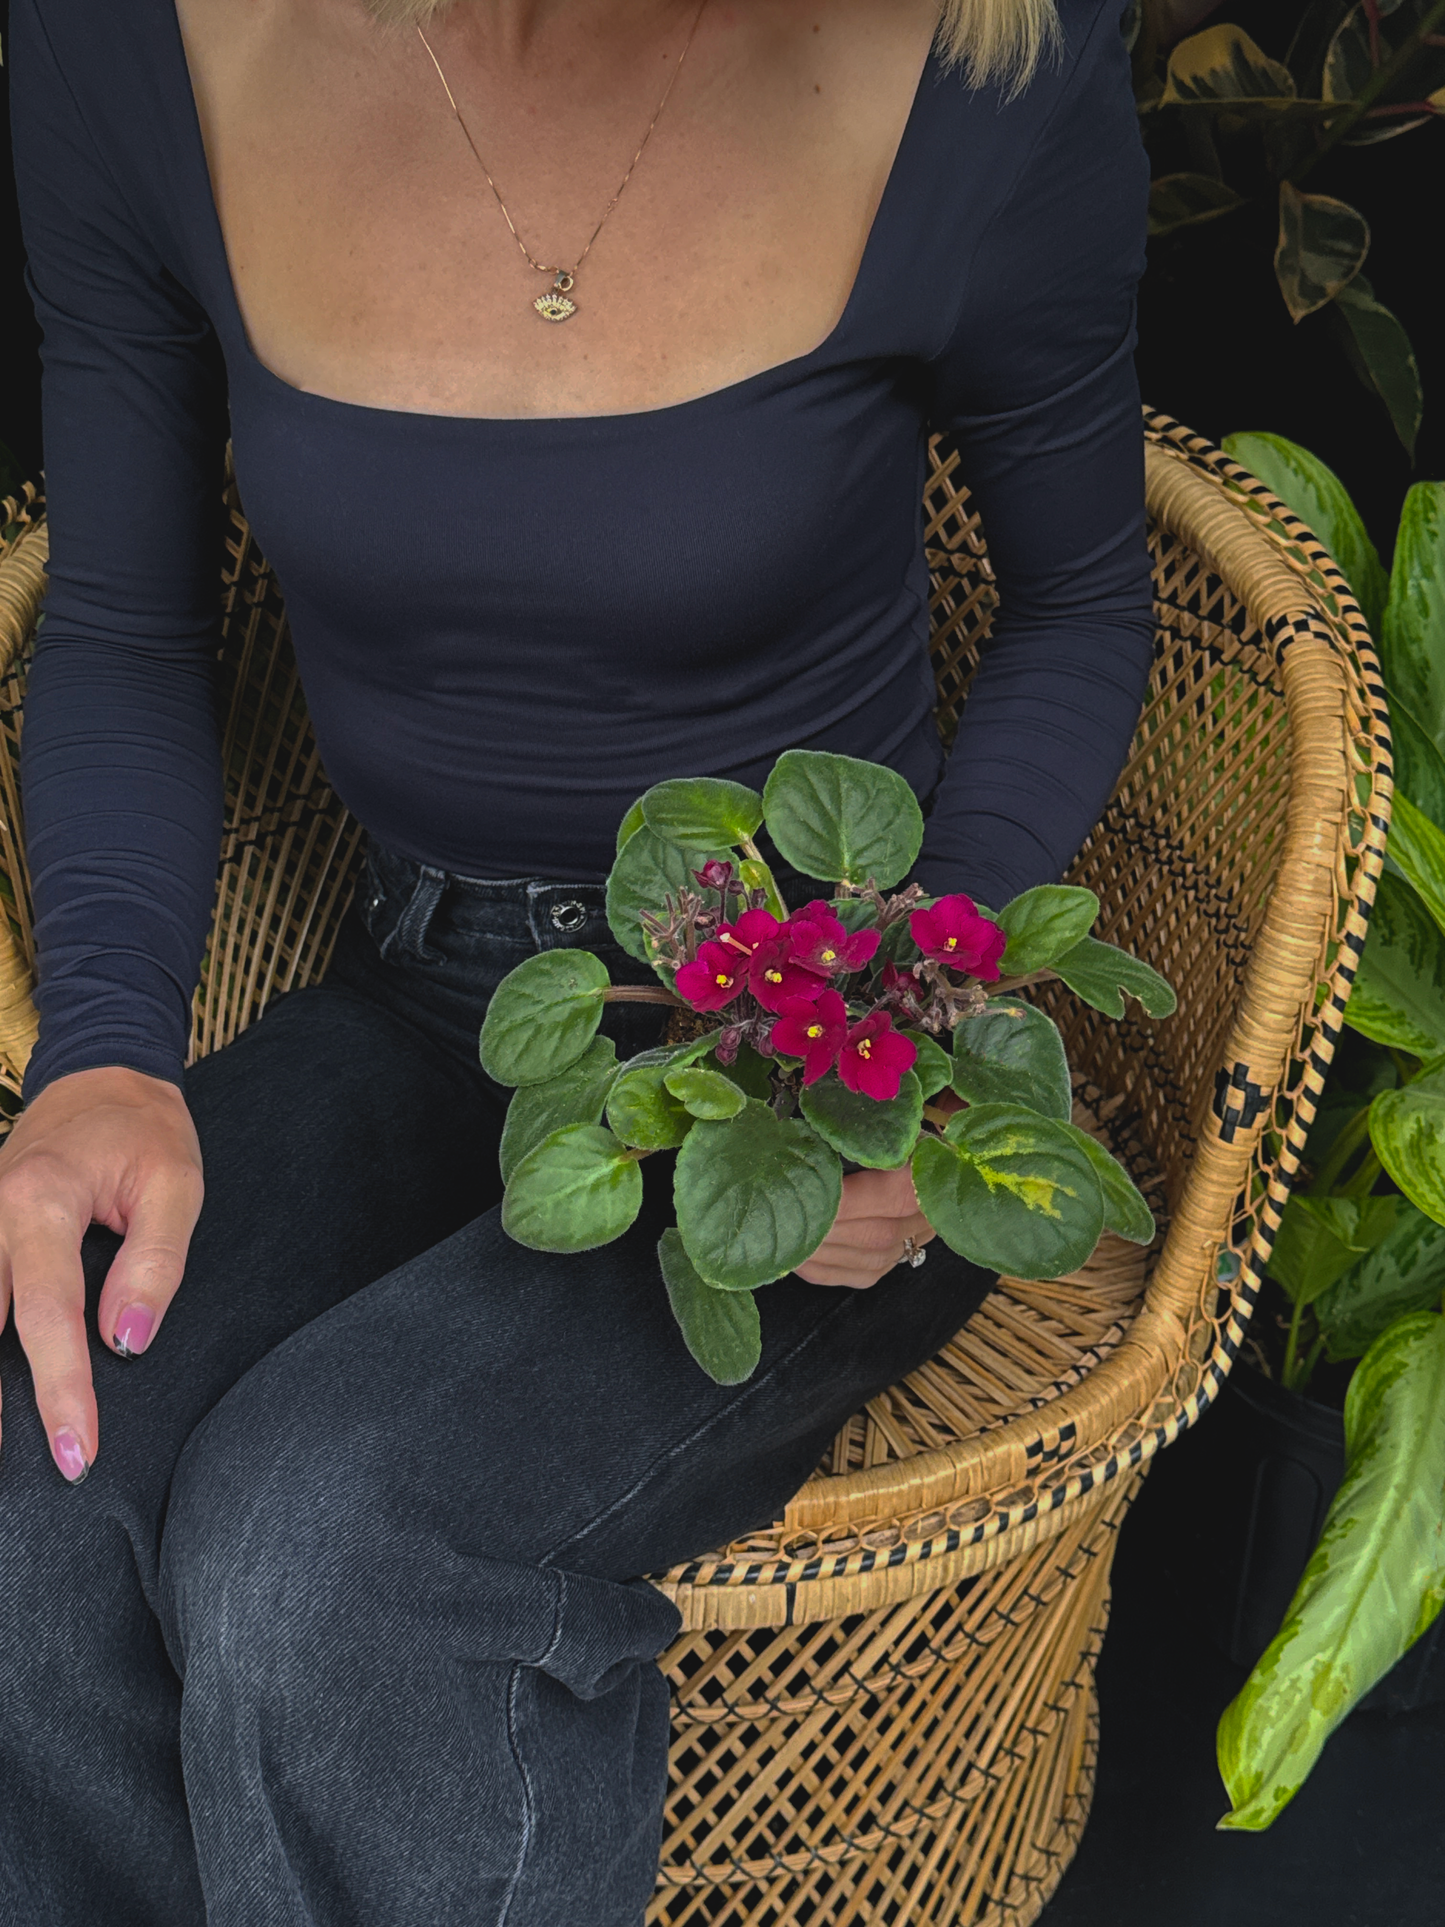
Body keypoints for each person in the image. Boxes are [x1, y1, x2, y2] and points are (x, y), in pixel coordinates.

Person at [0, 0, 1155, 1919]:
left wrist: (898, 1038)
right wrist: (105, 1048)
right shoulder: (129, 43)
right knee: (29, 1468)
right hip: (419, 979)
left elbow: (1083, 600)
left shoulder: (975, 61)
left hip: (789, 1072)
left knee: (333, 1563)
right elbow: (123, 616)